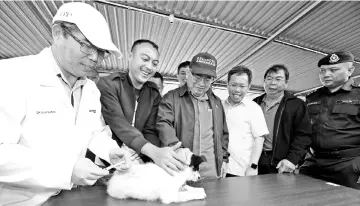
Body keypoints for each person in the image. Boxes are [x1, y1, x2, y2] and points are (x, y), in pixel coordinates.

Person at [0, 2, 128, 205]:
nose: (95, 58)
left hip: (69, 198)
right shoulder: (11, 75)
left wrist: (110, 151)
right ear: (58, 33)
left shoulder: (90, 89)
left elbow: (94, 132)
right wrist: (67, 170)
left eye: (101, 51)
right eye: (86, 46)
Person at [96, 39, 186, 175]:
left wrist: (159, 154)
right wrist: (152, 151)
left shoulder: (153, 93)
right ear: (130, 57)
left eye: (154, 63)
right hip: (108, 161)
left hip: (138, 160)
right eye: (145, 59)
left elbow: (150, 130)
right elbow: (119, 124)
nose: (149, 67)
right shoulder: (109, 85)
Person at [157, 52, 229, 179]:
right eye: (197, 76)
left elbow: (223, 133)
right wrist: (176, 148)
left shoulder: (216, 102)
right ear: (188, 73)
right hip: (181, 167)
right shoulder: (171, 98)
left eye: (208, 78)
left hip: (212, 170)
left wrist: (223, 159)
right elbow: (163, 124)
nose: (202, 83)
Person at [300, 51, 360, 189]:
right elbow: (303, 131)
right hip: (314, 163)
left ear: (350, 70)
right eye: (322, 71)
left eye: (333, 70)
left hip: (349, 165)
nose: (326, 75)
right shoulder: (312, 98)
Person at [253, 64, 312, 174]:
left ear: (286, 83)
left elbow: (303, 136)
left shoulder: (296, 105)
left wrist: (292, 160)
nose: (273, 83)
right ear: (264, 81)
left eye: (278, 79)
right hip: (254, 160)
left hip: (281, 163)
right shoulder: (254, 103)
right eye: (269, 78)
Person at [223, 66, 268, 177]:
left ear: (248, 87)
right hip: (220, 168)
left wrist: (253, 166)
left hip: (241, 171)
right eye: (233, 85)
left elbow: (259, 138)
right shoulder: (218, 106)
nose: (237, 90)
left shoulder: (253, 108)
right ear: (227, 84)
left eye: (242, 86)